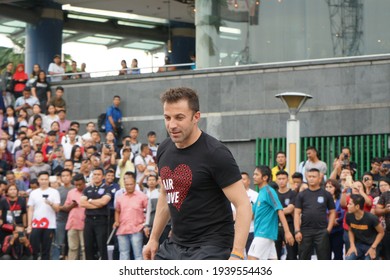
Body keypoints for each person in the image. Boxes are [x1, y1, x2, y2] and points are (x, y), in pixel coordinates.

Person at [143, 87, 252, 260]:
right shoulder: (163, 149)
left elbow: (243, 205)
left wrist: (237, 253)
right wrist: (153, 239)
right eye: (167, 117)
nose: (172, 125)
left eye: (179, 117)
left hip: (212, 248)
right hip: (175, 244)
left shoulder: (216, 153)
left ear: (196, 117)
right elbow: (166, 194)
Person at [248, 166, 294, 260]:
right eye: (254, 174)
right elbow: (252, 215)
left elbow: (279, 210)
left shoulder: (269, 191)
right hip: (264, 234)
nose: (254, 176)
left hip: (263, 233)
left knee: (251, 259)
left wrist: (287, 232)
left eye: (256, 174)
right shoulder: (261, 193)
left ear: (265, 177)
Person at [294, 168, 336, 260]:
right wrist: (297, 231)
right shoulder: (301, 195)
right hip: (305, 231)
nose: (311, 179)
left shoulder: (326, 194)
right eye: (309, 176)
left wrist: (328, 229)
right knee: (303, 258)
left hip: (322, 231)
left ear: (319, 179)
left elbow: (332, 212)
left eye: (314, 176)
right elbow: (297, 213)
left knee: (324, 258)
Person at [114, 171, 148, 260]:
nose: (129, 186)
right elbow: (117, 211)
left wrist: (145, 224)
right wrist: (117, 221)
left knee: (138, 255)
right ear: (124, 185)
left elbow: (148, 211)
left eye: (131, 184)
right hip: (122, 229)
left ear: (135, 184)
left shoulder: (142, 196)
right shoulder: (120, 198)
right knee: (123, 255)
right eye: (127, 185)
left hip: (137, 229)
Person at [79, 167, 111, 260]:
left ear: (103, 176)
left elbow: (104, 202)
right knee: (88, 247)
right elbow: (82, 203)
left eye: (99, 174)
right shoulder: (87, 189)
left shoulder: (106, 188)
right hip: (88, 221)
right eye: (95, 174)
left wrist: (90, 200)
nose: (96, 176)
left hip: (101, 221)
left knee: (102, 247)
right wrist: (98, 204)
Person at [27, 171, 60, 260]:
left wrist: (50, 203)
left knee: (46, 249)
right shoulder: (33, 193)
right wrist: (29, 225)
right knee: (34, 248)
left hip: (49, 225)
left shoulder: (54, 192)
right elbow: (30, 209)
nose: (44, 181)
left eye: (46, 179)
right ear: (38, 180)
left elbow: (57, 208)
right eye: (42, 179)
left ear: (48, 180)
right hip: (35, 224)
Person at [345, 194, 384, 260]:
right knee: (348, 258)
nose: (347, 206)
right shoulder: (349, 216)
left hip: (372, 245)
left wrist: (373, 247)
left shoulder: (371, 218)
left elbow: (381, 232)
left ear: (357, 206)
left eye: (350, 204)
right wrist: (352, 245)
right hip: (359, 244)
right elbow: (350, 230)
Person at [231, 171, 258, 255]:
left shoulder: (255, 195)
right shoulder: (233, 195)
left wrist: (243, 215)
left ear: (249, 181)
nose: (242, 181)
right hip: (237, 231)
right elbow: (233, 214)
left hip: (251, 230)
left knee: (251, 256)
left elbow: (255, 214)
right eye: (240, 179)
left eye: (244, 179)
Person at [51, 169, 75, 260]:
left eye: (67, 175)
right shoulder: (57, 190)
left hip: (73, 219)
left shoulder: (75, 189)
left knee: (71, 242)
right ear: (60, 178)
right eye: (63, 176)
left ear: (71, 177)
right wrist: (62, 208)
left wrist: (66, 207)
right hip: (60, 219)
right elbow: (54, 205)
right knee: (59, 242)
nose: (65, 178)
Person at [274, 170, 298, 260]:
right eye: (279, 179)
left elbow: (290, 209)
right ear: (276, 180)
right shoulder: (274, 194)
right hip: (275, 226)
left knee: (292, 253)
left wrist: (276, 211)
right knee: (275, 255)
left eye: (283, 178)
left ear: (287, 180)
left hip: (289, 226)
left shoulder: (293, 193)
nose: (281, 181)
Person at [64, 173, 86, 260]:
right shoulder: (71, 192)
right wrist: (72, 205)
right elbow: (66, 207)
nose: (78, 186)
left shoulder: (88, 191)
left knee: (84, 248)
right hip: (72, 224)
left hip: (85, 224)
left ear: (84, 182)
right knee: (72, 248)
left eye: (80, 184)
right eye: (76, 185)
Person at [325, 179, 345, 260]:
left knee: (338, 254)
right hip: (325, 230)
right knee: (326, 254)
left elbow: (344, 211)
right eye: (326, 187)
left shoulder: (340, 199)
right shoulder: (323, 199)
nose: (328, 189)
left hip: (338, 230)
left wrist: (337, 220)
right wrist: (330, 221)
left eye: (330, 187)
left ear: (336, 188)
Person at [374, 177, 390, 259]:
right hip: (386, 230)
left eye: (385, 185)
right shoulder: (385, 195)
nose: (383, 187)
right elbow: (376, 211)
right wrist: (386, 210)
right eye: (381, 185)